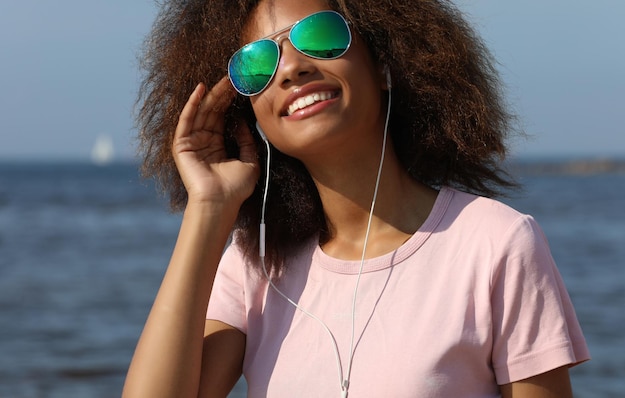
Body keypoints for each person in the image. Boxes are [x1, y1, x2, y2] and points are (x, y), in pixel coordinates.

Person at [123, 0, 590, 397]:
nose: (291, 68)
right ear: (250, 114)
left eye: (320, 35)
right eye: (256, 64)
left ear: (385, 65)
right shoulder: (256, 266)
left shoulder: (495, 242)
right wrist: (208, 208)